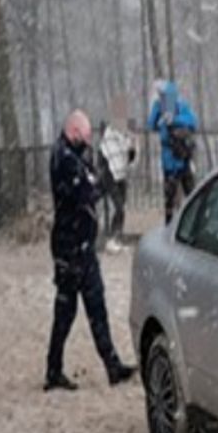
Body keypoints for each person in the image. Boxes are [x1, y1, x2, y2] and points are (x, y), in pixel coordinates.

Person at [44, 110, 137, 392]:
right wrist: (105, 180)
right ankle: (55, 370)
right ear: (73, 132)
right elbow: (87, 192)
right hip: (70, 247)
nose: (87, 143)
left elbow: (93, 180)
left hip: (80, 246)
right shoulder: (64, 158)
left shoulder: (73, 154)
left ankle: (110, 366)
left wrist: (110, 170)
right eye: (85, 138)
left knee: (92, 306)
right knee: (69, 310)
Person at [147, 80, 198, 224]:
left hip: (174, 159)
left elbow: (151, 125)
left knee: (172, 197)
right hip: (179, 158)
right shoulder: (176, 105)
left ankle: (172, 224)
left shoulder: (176, 106)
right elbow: (151, 124)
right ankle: (189, 222)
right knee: (188, 194)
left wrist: (172, 120)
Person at [96, 119, 136, 251]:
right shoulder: (108, 140)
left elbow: (130, 158)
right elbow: (101, 159)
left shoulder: (127, 139)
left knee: (121, 208)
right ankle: (111, 237)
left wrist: (131, 148)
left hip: (121, 175)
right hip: (109, 175)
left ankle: (116, 236)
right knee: (118, 207)